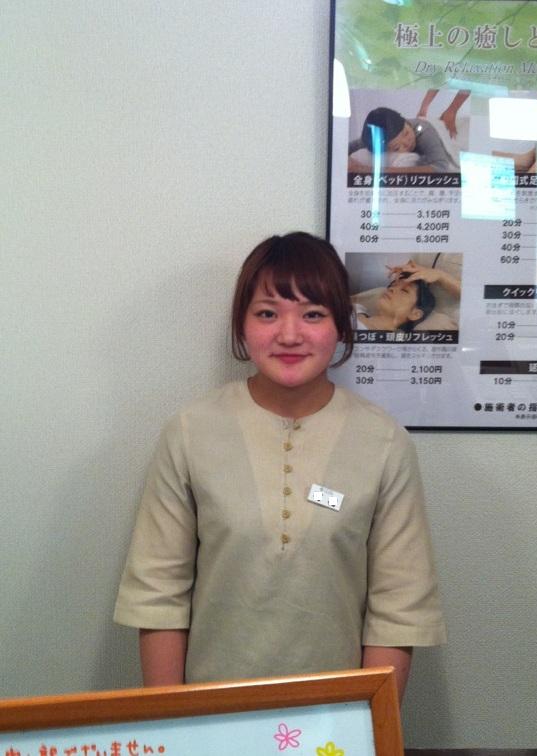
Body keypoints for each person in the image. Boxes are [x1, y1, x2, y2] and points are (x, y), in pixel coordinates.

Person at [114, 232, 446, 702]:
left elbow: (399, 608)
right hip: (211, 713)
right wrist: (172, 724)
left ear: (341, 324)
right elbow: (158, 595)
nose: (289, 335)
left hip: (335, 719)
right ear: (242, 325)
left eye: (313, 314)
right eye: (267, 313)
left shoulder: (385, 441)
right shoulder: (190, 431)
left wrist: (369, 724)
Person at [348, 90, 469, 173]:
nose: (407, 142)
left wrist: (370, 170)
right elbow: (349, 147)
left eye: (406, 133)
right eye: (397, 148)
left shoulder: (423, 131)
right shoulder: (378, 138)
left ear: (406, 121)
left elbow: (440, 167)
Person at [355, 260, 460, 332]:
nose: (392, 289)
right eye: (393, 285)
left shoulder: (387, 346)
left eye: (404, 291)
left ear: (415, 314)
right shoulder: (357, 309)